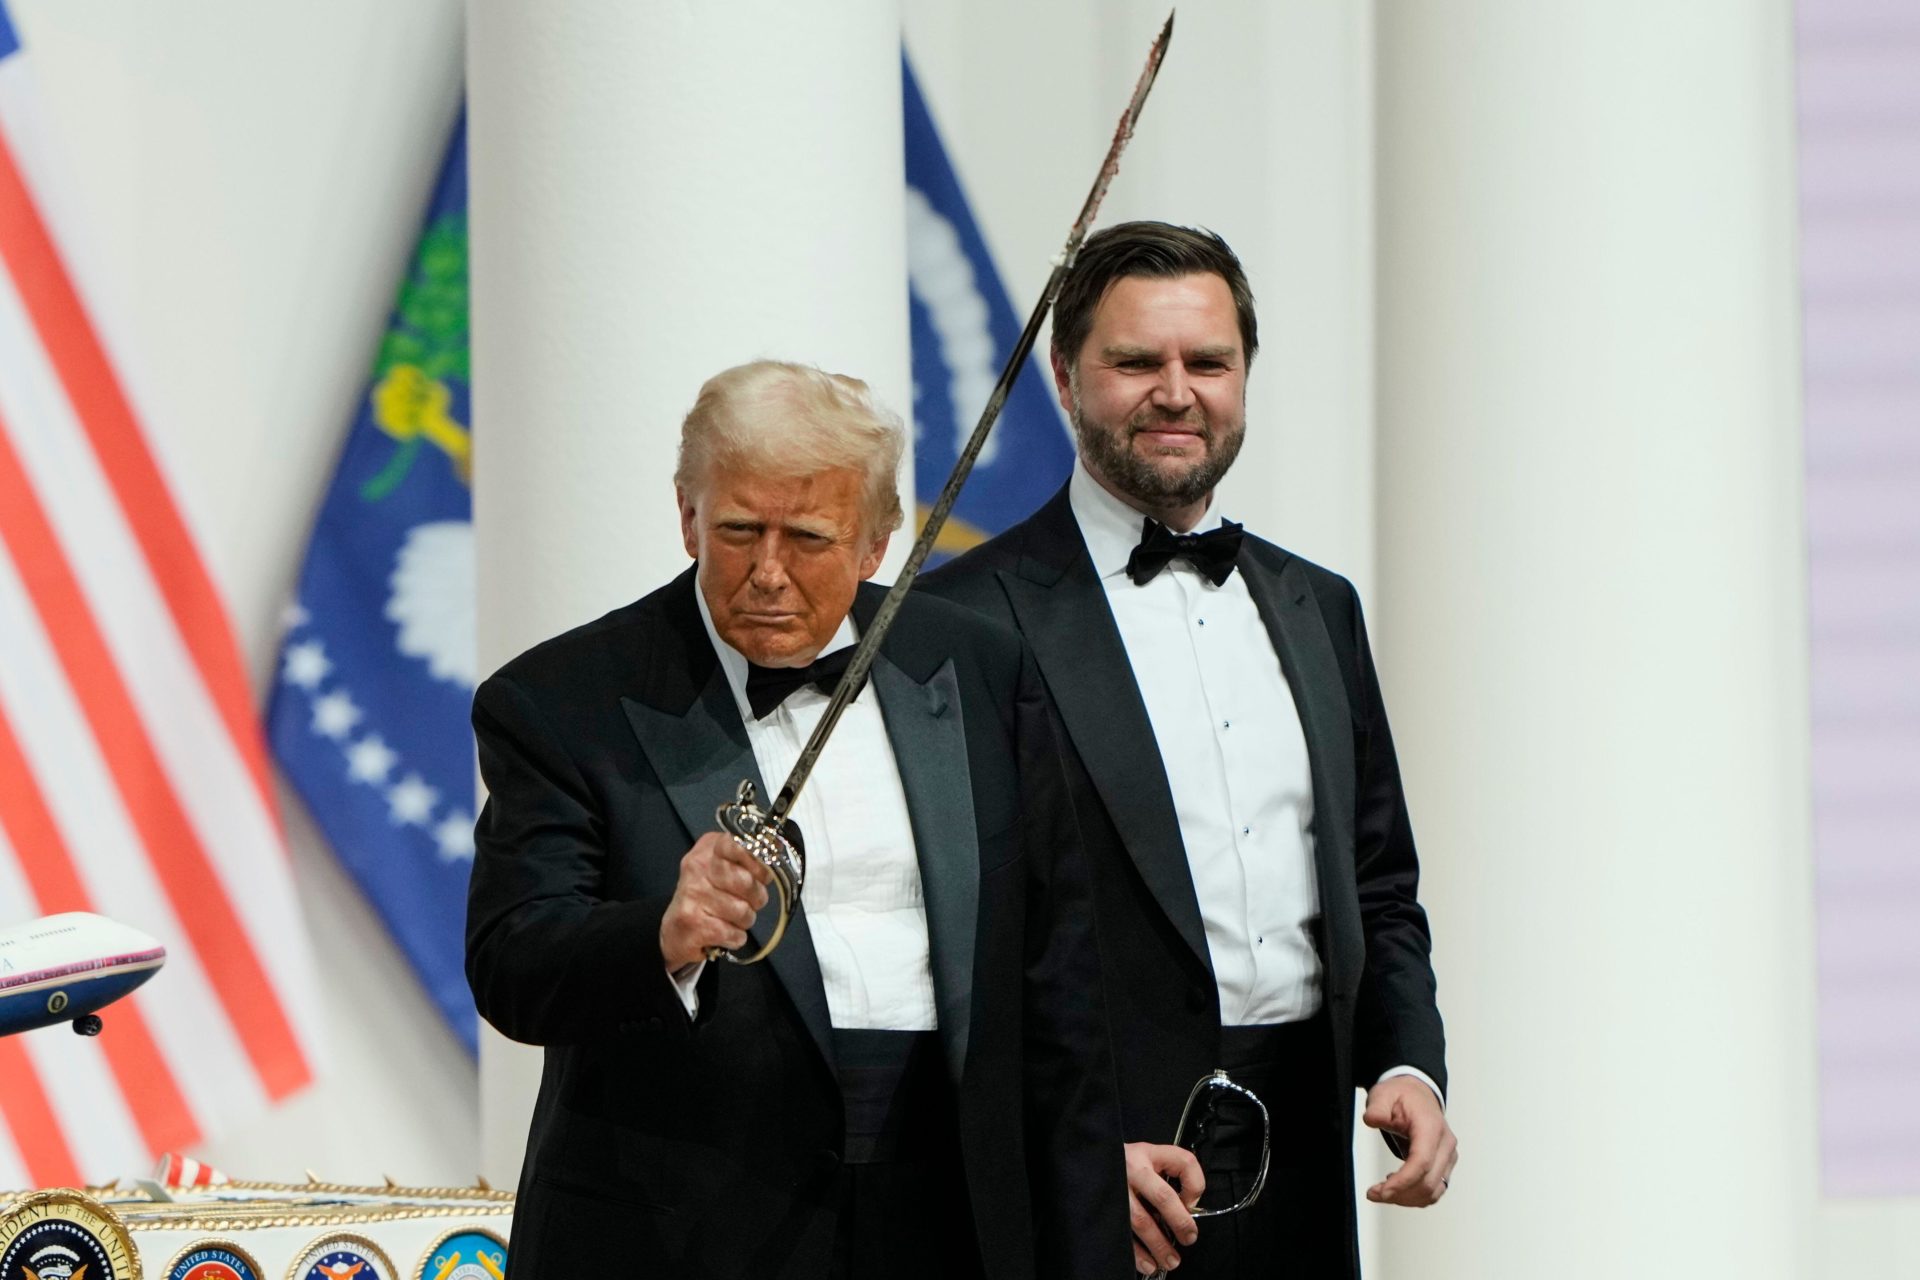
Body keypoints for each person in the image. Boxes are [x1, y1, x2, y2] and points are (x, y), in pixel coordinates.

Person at [466, 360, 1128, 1279]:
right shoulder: (561, 699)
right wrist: (660, 935)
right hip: (683, 1228)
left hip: (952, 1215)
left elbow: (1060, 986)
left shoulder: (979, 670)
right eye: (738, 531)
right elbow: (512, 963)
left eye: (808, 537)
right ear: (687, 516)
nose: (767, 574)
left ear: (877, 541)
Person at [922, 222, 1456, 1278]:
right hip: (1106, 1191)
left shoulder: (1320, 607)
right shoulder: (963, 619)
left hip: (1307, 1166)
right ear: (1068, 382)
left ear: (1244, 378)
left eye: (1207, 361)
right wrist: (1063, 1155)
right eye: (1136, 362)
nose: (1177, 391)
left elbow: (1377, 880)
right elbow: (946, 941)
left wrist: (1408, 1058)